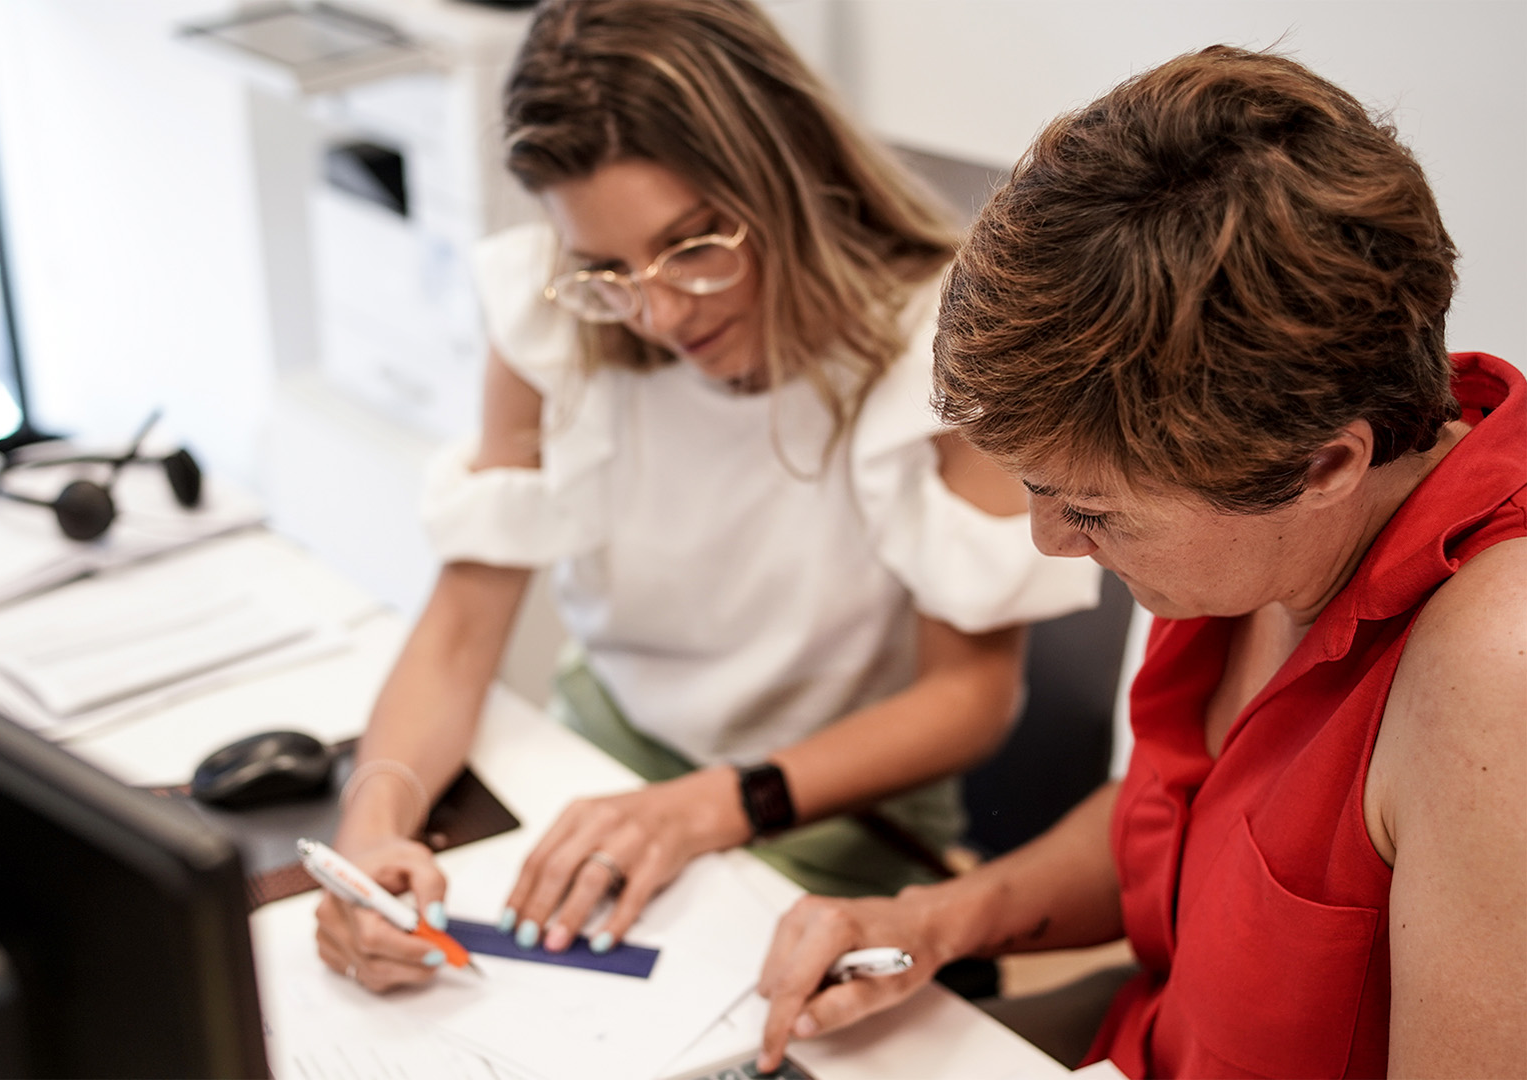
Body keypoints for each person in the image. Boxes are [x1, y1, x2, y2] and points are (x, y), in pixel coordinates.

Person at [754, 45, 1527, 1078]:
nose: (1049, 540)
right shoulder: (1252, 526)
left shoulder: (1494, 675)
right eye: (1038, 489)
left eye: (1089, 510)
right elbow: (1178, 836)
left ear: (1324, 465)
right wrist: (935, 919)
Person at [313, 0, 1099, 992]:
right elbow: (461, 632)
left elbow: (967, 702)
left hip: (823, 811)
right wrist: (370, 831)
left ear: (784, 173)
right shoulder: (553, 317)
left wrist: (706, 808)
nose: (657, 312)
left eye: (691, 246)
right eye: (607, 269)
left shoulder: (938, 348)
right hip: (606, 759)